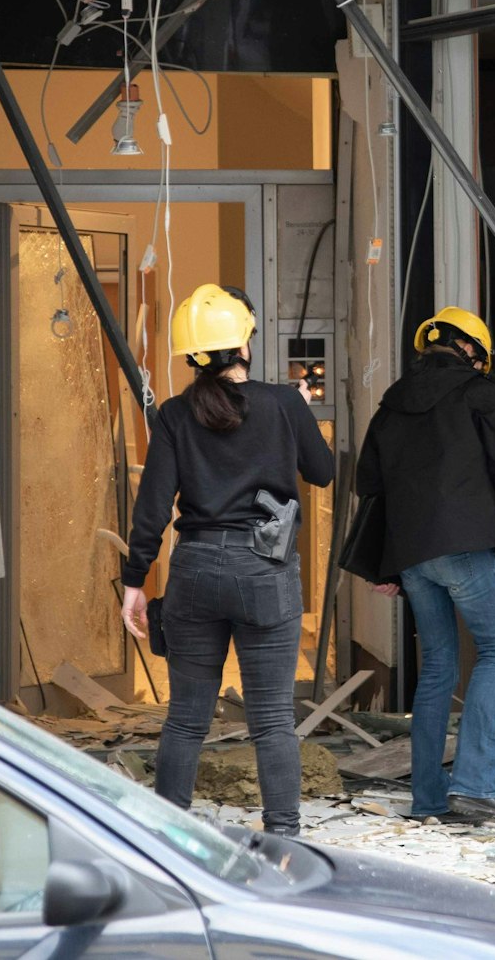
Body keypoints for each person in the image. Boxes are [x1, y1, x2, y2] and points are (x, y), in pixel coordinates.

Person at [119, 284, 334, 837]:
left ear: (192, 355)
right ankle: (283, 836)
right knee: (272, 720)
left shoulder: (172, 415)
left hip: (195, 571)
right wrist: (296, 421)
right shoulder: (284, 403)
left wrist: (134, 580)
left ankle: (167, 835)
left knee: (186, 718)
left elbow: (153, 506)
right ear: (244, 342)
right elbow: (323, 472)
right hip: (266, 573)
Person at [356, 305, 495, 824]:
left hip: (413, 558)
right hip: (464, 549)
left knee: (437, 666)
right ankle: (477, 787)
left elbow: (368, 483)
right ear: (470, 351)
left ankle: (428, 798)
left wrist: (386, 566)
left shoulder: (392, 402)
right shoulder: (479, 394)